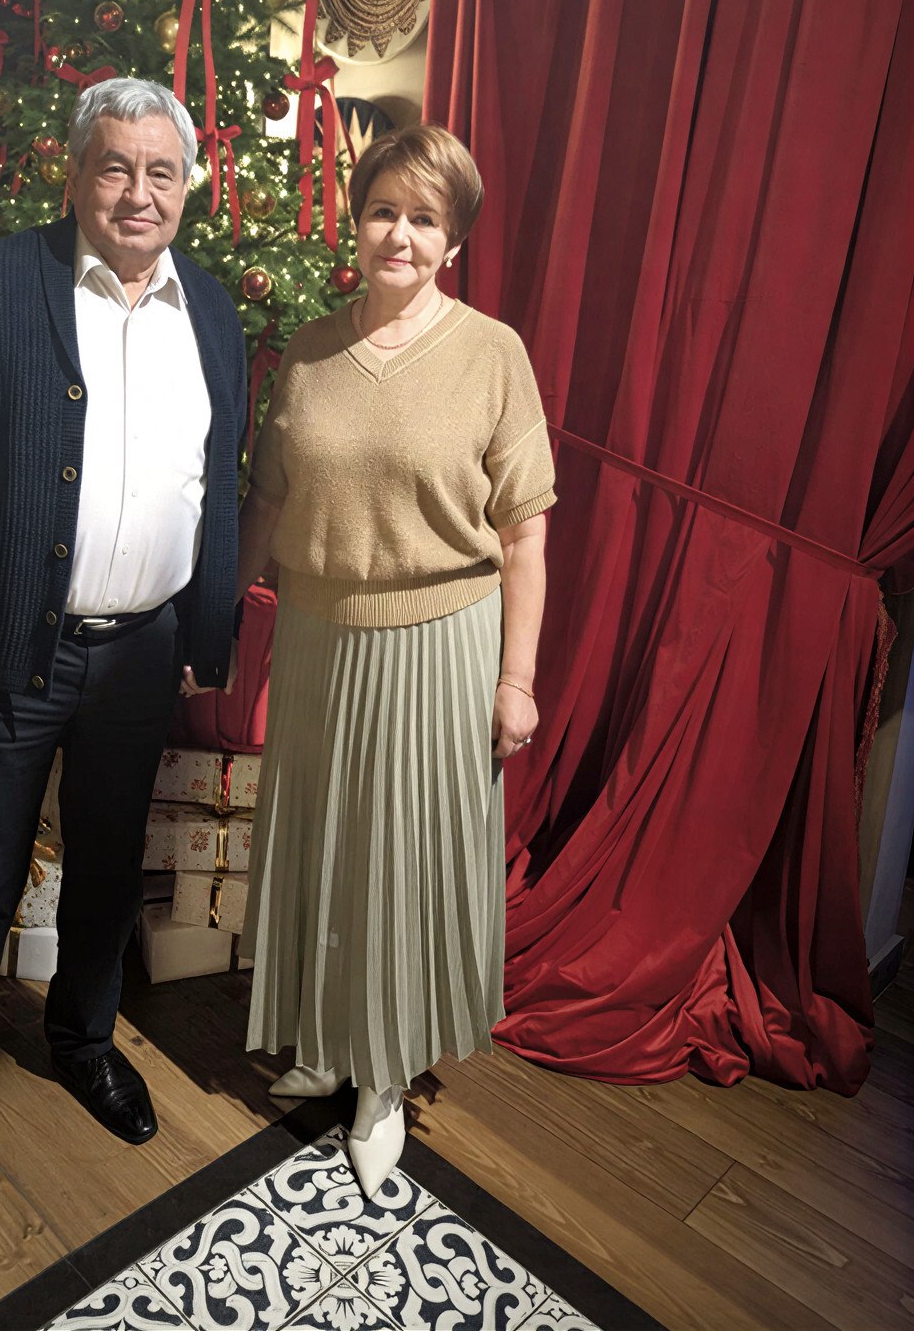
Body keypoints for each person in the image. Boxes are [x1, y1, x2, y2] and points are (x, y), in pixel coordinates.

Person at [0, 79, 246, 1284]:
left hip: (143, 651)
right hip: (6, 654)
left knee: (111, 867)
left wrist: (206, 628)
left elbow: (216, 480)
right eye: (114, 167)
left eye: (161, 172)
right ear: (75, 175)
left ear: (188, 186)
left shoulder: (209, 310)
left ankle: (82, 1039)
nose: (137, 193)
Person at [233, 123, 555, 1199]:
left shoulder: (491, 353)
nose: (399, 235)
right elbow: (267, 499)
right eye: (382, 211)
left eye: (424, 218)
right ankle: (327, 1039)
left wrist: (515, 680)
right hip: (317, 636)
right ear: (356, 221)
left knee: (403, 862)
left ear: (452, 240)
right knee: (322, 845)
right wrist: (219, 614)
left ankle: (381, 1076)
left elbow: (524, 537)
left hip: (440, 641)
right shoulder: (309, 350)